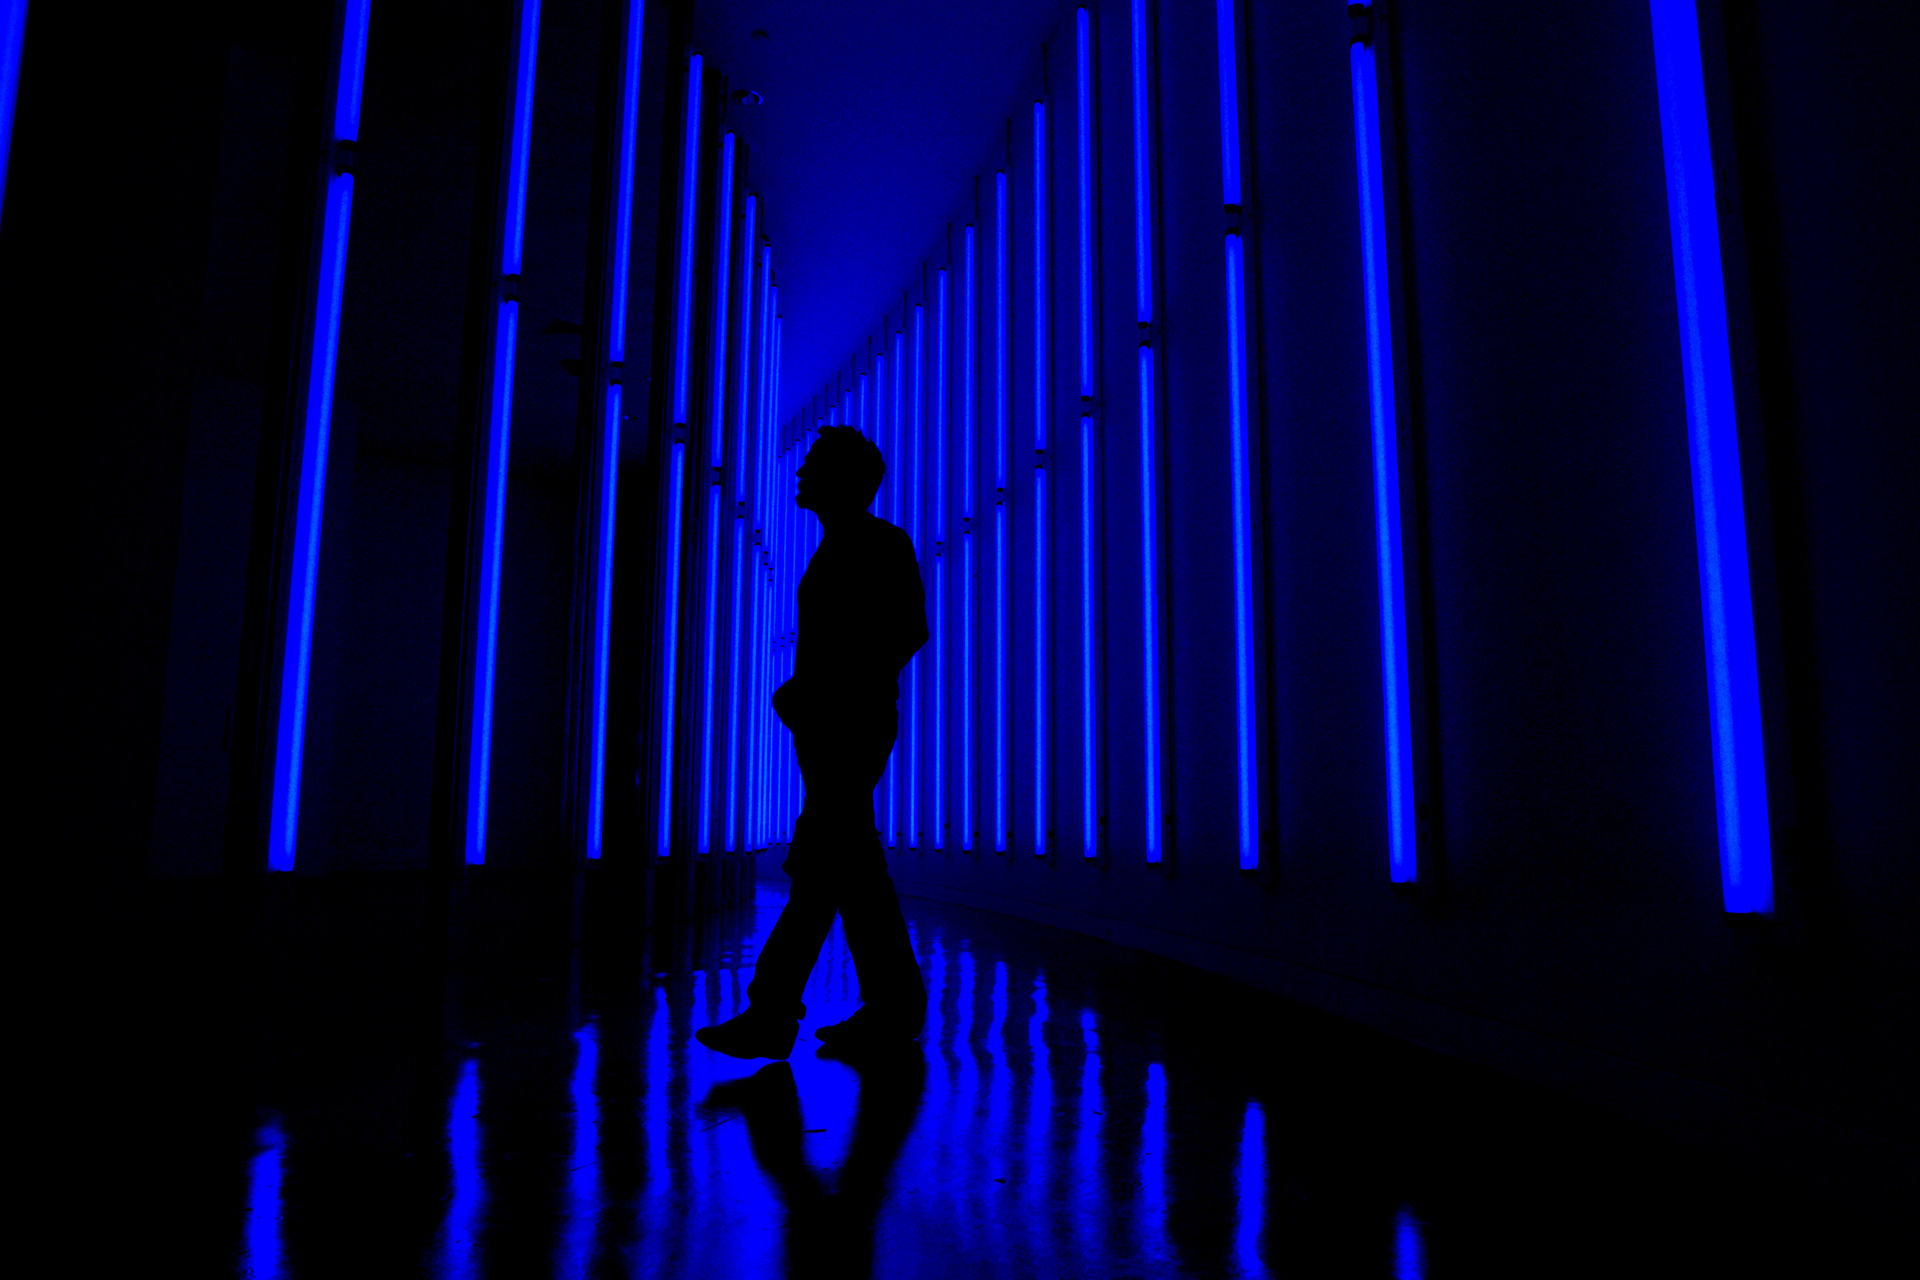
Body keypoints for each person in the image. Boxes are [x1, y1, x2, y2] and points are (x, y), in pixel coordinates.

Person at [695, 425, 929, 1060]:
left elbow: (906, 631)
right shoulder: (843, 547)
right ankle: (891, 1008)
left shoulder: (876, 543)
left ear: (844, 479)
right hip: (836, 724)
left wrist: (819, 692)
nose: (800, 474)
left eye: (814, 465)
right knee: (847, 870)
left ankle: (775, 1012)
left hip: (846, 726)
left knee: (822, 867)